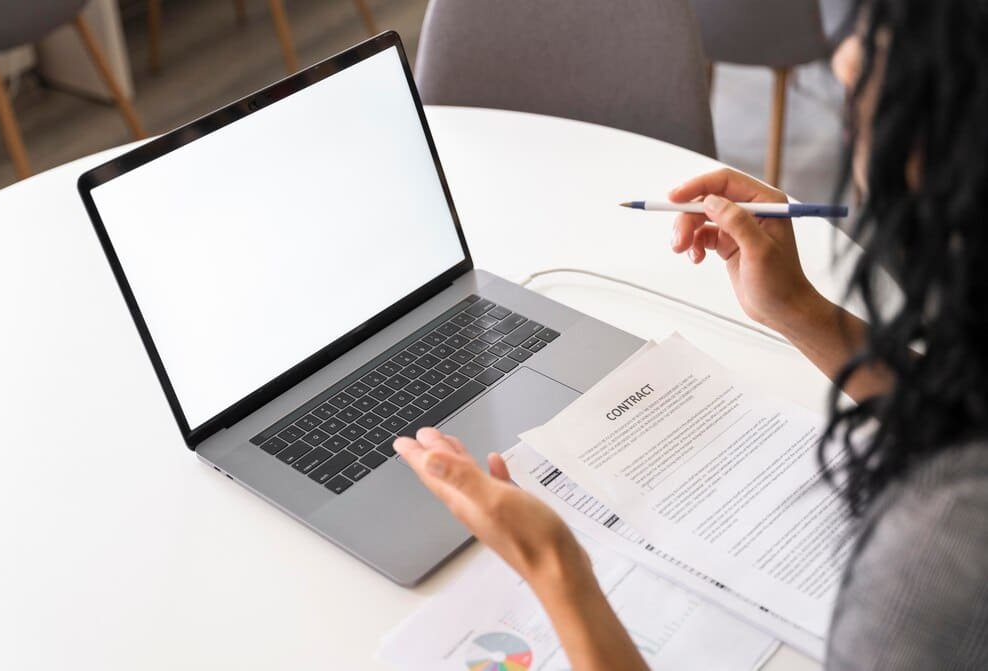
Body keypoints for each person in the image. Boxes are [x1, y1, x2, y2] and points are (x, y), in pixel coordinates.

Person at [393, 1, 988, 668]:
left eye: (864, 73)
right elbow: (967, 415)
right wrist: (798, 308)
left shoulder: (932, 566)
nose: (845, 76)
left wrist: (554, 566)